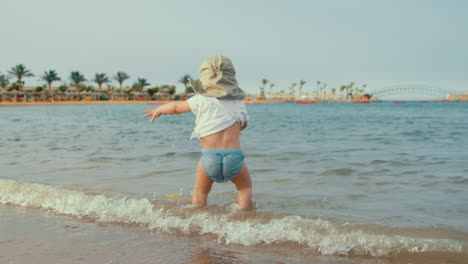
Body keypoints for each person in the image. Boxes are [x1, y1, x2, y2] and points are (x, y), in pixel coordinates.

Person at [143, 55, 252, 210]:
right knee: (244, 188)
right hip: (234, 157)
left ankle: (196, 219)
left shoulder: (200, 100)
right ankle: (245, 217)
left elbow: (175, 108)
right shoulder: (239, 103)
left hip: (209, 158)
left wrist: (159, 109)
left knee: (200, 192)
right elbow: (244, 124)